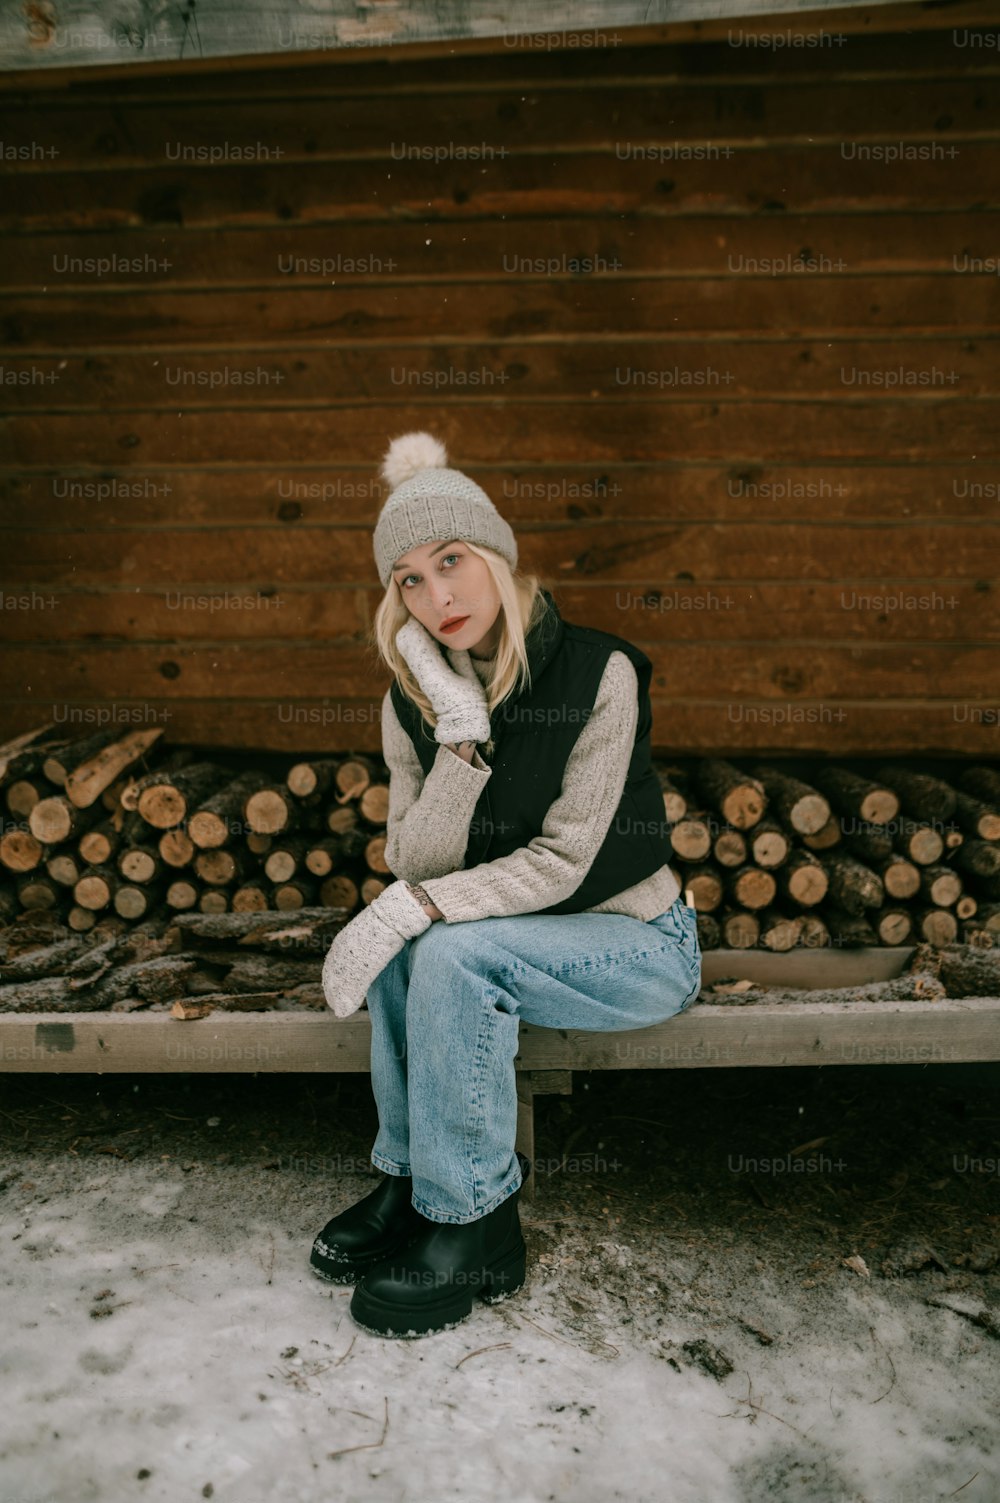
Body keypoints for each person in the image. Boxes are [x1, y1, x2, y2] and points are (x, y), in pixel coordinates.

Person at [311, 431, 702, 1339]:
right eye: (409, 577)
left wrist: (424, 904)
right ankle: (414, 1183)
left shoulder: (597, 673)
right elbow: (414, 857)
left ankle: (476, 1220)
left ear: (494, 554)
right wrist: (458, 740)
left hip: (635, 943)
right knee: (415, 949)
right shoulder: (413, 699)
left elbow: (567, 861)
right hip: (513, 937)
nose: (437, 594)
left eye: (451, 561)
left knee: (446, 945)